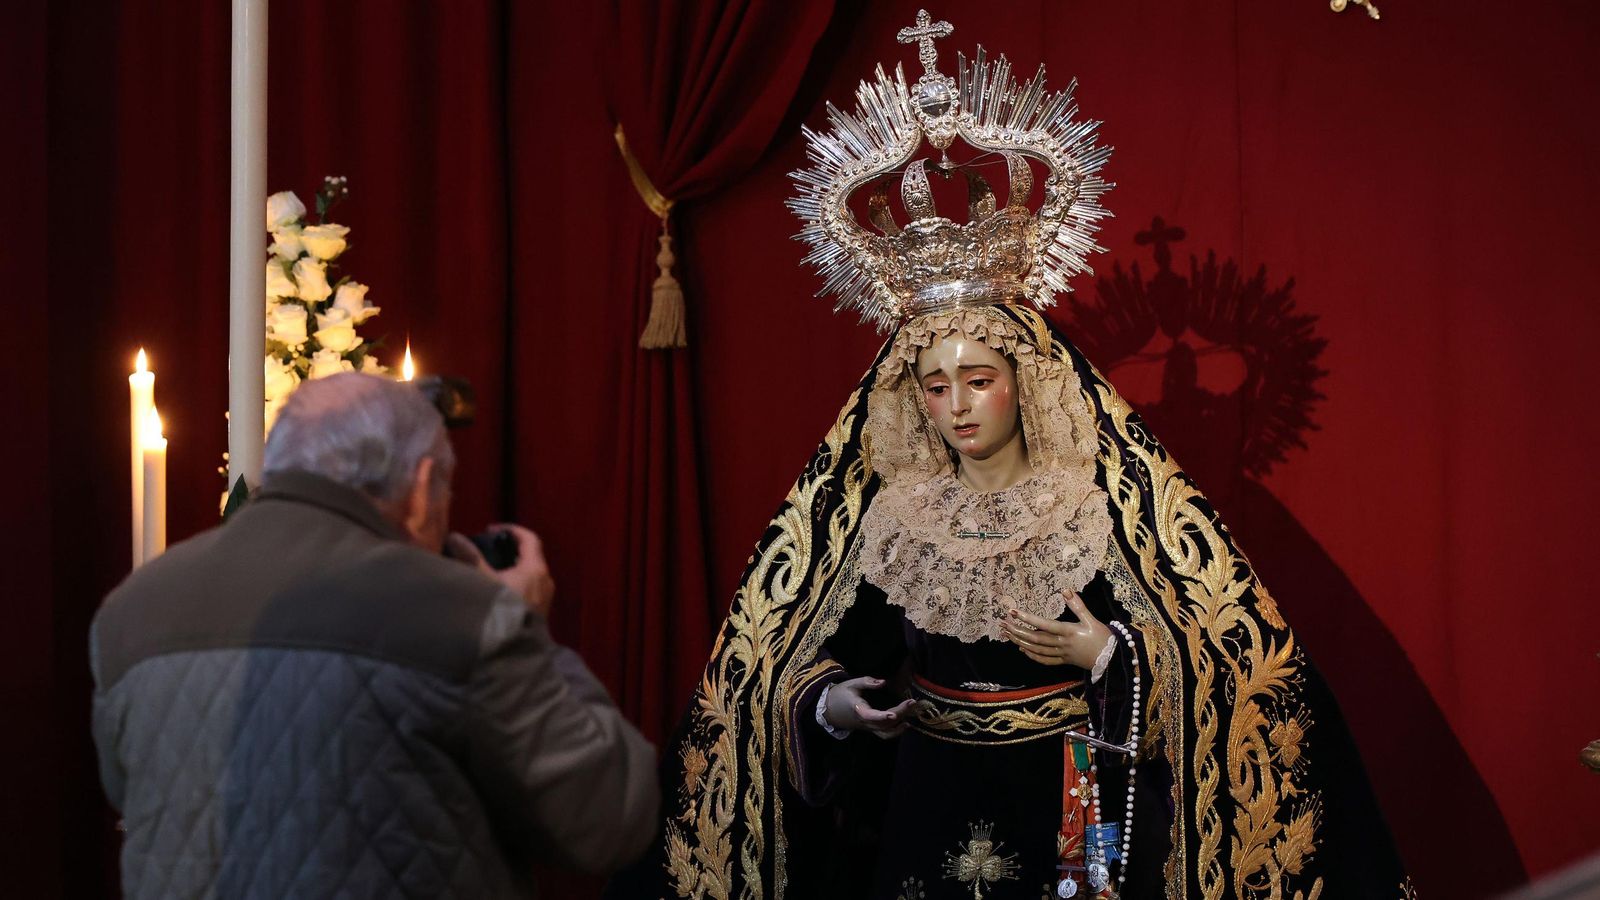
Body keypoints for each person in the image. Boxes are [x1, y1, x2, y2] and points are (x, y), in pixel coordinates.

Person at [636, 12, 1411, 900]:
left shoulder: (1093, 502)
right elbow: (801, 658)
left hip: (1069, 800)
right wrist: (834, 705)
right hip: (928, 797)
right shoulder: (892, 513)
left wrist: (1109, 656)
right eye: (935, 385)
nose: (957, 405)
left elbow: (1223, 665)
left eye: (978, 377)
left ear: (1027, 379)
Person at [90, 372, 658, 899]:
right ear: (422, 486)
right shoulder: (462, 612)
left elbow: (127, 791)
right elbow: (612, 817)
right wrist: (527, 620)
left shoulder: (131, 608)